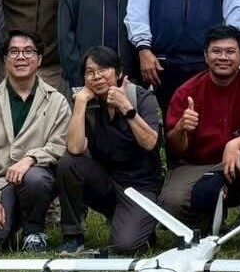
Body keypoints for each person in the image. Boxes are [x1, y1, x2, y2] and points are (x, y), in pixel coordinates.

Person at [159, 25, 240, 254]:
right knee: (171, 204)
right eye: (216, 51)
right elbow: (176, 148)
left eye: (230, 51)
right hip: (196, 165)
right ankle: (206, 226)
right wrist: (182, 129)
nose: (223, 57)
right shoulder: (186, 91)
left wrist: (235, 144)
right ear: (206, 55)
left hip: (239, 160)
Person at [0, 29, 71, 252]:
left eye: (28, 52)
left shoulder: (57, 101)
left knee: (35, 178)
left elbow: (60, 144)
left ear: (40, 59)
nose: (21, 57)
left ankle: (34, 231)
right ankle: (10, 224)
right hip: (0, 183)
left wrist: (31, 159)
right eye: (13, 52)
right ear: (5, 60)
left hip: (37, 180)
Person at [58, 46, 164, 254]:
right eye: (90, 72)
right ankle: (73, 235)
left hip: (140, 187)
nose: (96, 76)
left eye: (103, 69)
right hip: (107, 183)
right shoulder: (89, 104)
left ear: (118, 72)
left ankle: (140, 221)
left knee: (124, 246)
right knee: (68, 163)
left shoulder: (141, 98)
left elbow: (150, 142)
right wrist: (79, 103)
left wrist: (126, 107)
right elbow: (75, 148)